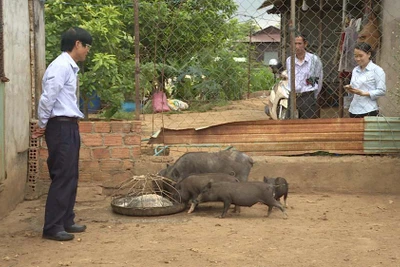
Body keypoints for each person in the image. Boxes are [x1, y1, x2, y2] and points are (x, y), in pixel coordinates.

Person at [31, 27, 92, 241]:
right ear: (77, 44)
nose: (87, 51)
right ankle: (52, 227)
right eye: (87, 46)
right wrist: (42, 123)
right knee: (62, 175)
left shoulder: (68, 67)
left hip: (69, 125)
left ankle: (66, 220)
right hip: (60, 126)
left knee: (71, 174)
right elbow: (48, 98)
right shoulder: (60, 67)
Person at [286, 34, 323, 119]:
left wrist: (313, 95)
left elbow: (318, 79)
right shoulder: (289, 60)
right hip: (293, 96)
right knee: (290, 123)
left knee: (309, 124)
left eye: (299, 43)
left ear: (305, 44)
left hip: (307, 96)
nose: (297, 46)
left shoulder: (314, 60)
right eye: (294, 44)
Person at [344, 42, 386, 118]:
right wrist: (350, 88)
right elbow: (354, 87)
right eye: (355, 56)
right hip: (354, 109)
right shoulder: (355, 70)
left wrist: (364, 93)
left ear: (369, 54)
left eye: (360, 56)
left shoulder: (377, 70)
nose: (357, 59)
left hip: (369, 110)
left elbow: (382, 91)